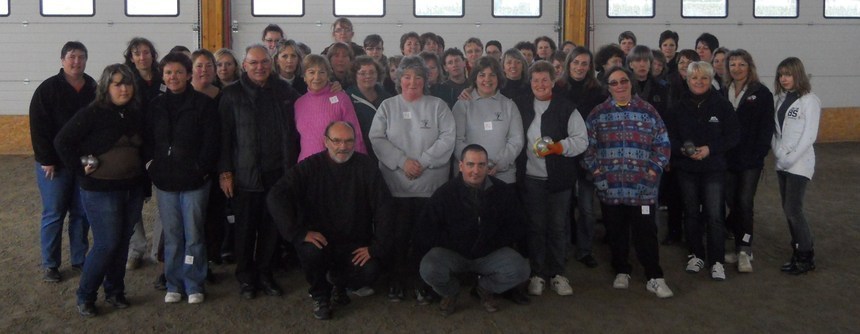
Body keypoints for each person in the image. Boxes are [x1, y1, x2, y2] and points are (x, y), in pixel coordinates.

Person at [268, 121, 393, 320]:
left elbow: (384, 207)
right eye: (336, 141)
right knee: (309, 251)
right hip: (320, 241)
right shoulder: (310, 166)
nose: (343, 147)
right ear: (326, 141)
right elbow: (276, 194)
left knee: (371, 270)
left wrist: (375, 247)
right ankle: (320, 295)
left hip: (354, 243)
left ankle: (338, 283)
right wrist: (296, 232)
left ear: (355, 142)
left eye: (348, 141)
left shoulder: (366, 167)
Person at [54, 63, 146, 317]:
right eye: (118, 83)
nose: (124, 88)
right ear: (107, 87)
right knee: (106, 244)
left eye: (127, 83)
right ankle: (85, 295)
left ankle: (115, 291)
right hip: (101, 191)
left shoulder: (136, 113)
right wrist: (78, 166)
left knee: (121, 243)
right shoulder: (92, 113)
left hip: (132, 188)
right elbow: (62, 141)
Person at [368, 55, 456, 302]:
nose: (412, 81)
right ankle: (397, 279)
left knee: (426, 237)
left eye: (418, 76)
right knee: (397, 237)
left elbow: (448, 138)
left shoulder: (438, 106)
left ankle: (423, 281)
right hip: (396, 187)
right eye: (406, 76)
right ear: (398, 79)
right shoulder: (388, 106)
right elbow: (377, 139)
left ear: (425, 80)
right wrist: (401, 161)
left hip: (430, 187)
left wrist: (424, 161)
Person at [218, 44, 301, 299]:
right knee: (244, 230)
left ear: (271, 63)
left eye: (264, 62)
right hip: (245, 176)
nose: (259, 67)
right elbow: (224, 138)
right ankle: (245, 278)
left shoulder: (285, 92)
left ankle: (265, 274)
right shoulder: (231, 95)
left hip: (277, 174)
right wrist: (225, 172)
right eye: (253, 63)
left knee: (271, 228)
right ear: (244, 66)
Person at [583, 66, 674, 298]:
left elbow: (662, 146)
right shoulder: (598, 114)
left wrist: (652, 174)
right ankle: (621, 269)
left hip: (642, 189)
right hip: (610, 189)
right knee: (616, 232)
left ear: (631, 83)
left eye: (624, 81)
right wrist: (598, 175)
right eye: (614, 83)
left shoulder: (649, 111)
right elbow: (587, 149)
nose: (620, 86)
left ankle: (654, 276)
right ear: (608, 87)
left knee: (646, 232)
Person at [415, 144, 530, 315]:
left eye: (481, 165)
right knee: (428, 267)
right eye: (470, 164)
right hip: (455, 253)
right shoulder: (444, 193)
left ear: (487, 166)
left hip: (489, 253)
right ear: (461, 166)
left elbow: (518, 225)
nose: (475, 171)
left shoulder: (503, 191)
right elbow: (426, 230)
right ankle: (451, 293)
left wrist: (492, 242)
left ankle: (483, 288)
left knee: (520, 269)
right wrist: (455, 243)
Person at [145, 52, 219, 304]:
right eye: (168, 72)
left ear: (188, 75)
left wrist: (202, 168)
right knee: (174, 235)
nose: (173, 77)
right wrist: (151, 165)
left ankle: (194, 282)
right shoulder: (155, 106)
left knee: (194, 233)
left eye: (178, 72)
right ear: (162, 76)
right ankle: (173, 282)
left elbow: (211, 143)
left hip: (195, 182)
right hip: (165, 181)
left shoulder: (204, 104)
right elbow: (147, 140)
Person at [514, 61, 587, 297]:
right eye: (535, 80)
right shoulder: (522, 106)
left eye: (545, 80)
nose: (540, 84)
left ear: (553, 82)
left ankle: (557, 273)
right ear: (530, 83)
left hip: (559, 180)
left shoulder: (567, 108)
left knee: (557, 227)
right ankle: (537, 273)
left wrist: (558, 147)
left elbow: (581, 141)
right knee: (535, 227)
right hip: (531, 178)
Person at [667, 61, 739, 281]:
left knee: (715, 215)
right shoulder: (677, 107)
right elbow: (669, 137)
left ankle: (716, 260)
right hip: (687, 169)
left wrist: (710, 149)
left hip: (713, 169)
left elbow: (733, 136)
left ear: (710, 80)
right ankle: (696, 254)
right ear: (687, 80)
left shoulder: (723, 106)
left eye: (704, 78)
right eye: (694, 78)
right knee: (691, 213)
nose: (699, 82)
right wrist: (683, 150)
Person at [29, 41, 95, 283]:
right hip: (54, 165)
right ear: (62, 60)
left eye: (81, 57)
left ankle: (79, 259)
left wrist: (91, 160)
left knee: (81, 212)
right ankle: (50, 264)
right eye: (72, 57)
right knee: (54, 213)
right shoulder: (47, 90)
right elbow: (38, 127)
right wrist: (46, 159)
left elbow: (95, 128)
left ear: (86, 60)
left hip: (82, 163)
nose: (76, 61)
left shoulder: (93, 88)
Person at [721, 49, 774, 273]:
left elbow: (766, 127)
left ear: (749, 67)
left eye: (741, 64)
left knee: (745, 203)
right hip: (728, 159)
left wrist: (758, 155)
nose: (737, 69)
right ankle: (736, 245)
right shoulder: (723, 92)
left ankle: (745, 249)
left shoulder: (762, 93)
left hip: (750, 161)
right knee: (732, 202)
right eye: (732, 65)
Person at [557, 46, 608, 268]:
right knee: (565, 209)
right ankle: (565, 248)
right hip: (564, 156)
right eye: (576, 62)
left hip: (589, 157)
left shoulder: (598, 91)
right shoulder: (558, 88)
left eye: (584, 63)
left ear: (590, 67)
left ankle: (585, 250)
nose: (579, 67)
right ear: (569, 64)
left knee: (587, 209)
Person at [771, 57, 820, 275]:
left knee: (794, 209)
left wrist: (790, 158)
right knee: (788, 210)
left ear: (797, 74)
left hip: (800, 163)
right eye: (781, 74)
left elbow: (810, 135)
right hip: (782, 162)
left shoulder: (810, 100)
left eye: (788, 74)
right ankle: (797, 251)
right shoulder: (780, 99)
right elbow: (775, 132)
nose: (784, 78)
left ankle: (806, 256)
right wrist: (779, 153)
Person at [122, 37, 164, 273]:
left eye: (146, 52)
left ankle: (157, 249)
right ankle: (135, 249)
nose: (142, 57)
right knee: (133, 203)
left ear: (153, 55)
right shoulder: (126, 81)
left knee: (164, 202)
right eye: (137, 53)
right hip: (135, 151)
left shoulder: (163, 78)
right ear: (131, 57)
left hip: (160, 150)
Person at [452, 56, 524, 184]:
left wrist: (498, 164)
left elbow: (516, 141)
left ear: (499, 78)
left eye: (492, 75)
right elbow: (456, 140)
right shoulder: (462, 104)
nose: (487, 79)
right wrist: (477, 166)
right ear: (475, 78)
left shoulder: (509, 105)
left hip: (503, 176)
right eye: (482, 75)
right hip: (469, 178)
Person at [295, 54, 366, 161]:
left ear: (328, 75)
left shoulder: (341, 98)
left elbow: (356, 135)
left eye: (322, 72)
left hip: (336, 166)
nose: (317, 77)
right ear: (304, 77)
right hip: (306, 167)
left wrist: (361, 164)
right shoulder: (299, 103)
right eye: (311, 72)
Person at [347, 56, 392, 166]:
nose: (368, 76)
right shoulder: (347, 98)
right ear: (355, 75)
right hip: (360, 155)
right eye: (362, 73)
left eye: (372, 72)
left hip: (387, 154)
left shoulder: (388, 98)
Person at [627, 45, 669, 115]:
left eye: (646, 60)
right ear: (631, 64)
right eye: (638, 60)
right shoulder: (623, 86)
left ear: (650, 64)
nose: (642, 64)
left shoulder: (662, 87)